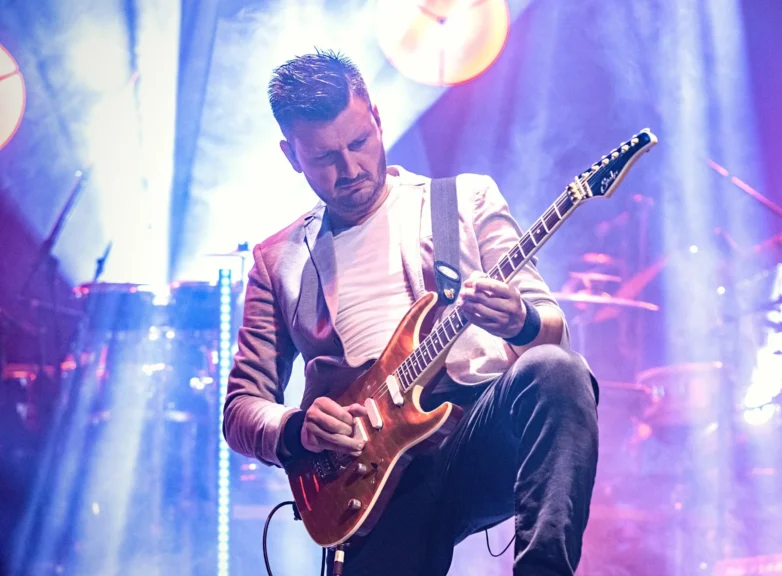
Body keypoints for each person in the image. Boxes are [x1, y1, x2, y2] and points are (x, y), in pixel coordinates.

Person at [222, 49, 599, 576]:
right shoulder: (276, 260)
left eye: (359, 142)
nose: (350, 169)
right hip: (368, 479)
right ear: (291, 155)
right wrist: (297, 427)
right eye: (325, 157)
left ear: (376, 118)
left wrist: (521, 322)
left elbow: (550, 329)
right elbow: (242, 407)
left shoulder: (463, 201)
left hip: (476, 432)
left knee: (556, 369)